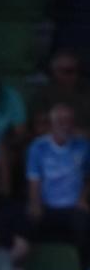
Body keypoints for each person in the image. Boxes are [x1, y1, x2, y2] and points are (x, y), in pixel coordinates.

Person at [26, 103, 90, 253]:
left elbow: (88, 176)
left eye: (69, 121)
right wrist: (35, 204)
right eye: (61, 121)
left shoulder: (83, 146)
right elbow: (34, 181)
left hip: (74, 206)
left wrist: (83, 199)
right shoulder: (37, 147)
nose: (66, 126)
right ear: (51, 124)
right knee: (30, 219)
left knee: (83, 224)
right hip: (47, 206)